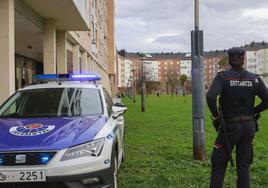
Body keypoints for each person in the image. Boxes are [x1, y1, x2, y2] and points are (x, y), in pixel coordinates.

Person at [206, 47, 268, 188]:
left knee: (219, 164)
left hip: (229, 127)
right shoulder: (255, 79)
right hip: (248, 127)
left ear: (229, 59)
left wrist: (216, 117)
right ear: (243, 58)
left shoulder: (223, 77)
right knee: (244, 166)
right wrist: (254, 111)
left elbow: (210, 97)